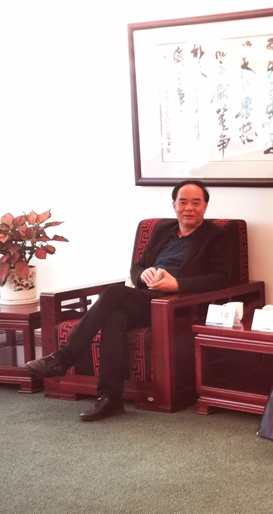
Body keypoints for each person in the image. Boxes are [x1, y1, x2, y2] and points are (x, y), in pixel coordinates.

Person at [25, 180, 233, 421]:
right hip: (145, 298)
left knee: (113, 294)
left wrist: (176, 284)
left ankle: (63, 358)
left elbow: (222, 278)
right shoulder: (163, 230)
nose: (189, 208)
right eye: (183, 202)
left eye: (196, 203)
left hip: (178, 304)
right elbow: (137, 266)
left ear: (205, 206)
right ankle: (110, 398)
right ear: (174, 205)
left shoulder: (217, 236)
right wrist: (143, 275)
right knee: (114, 317)